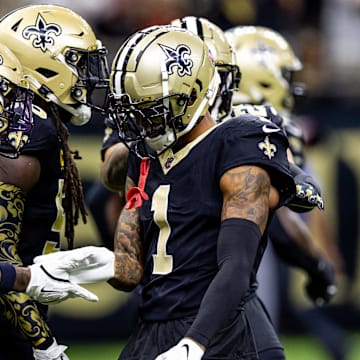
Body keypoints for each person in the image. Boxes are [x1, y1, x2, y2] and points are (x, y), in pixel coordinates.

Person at [36, 24, 298, 359]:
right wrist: (72, 269)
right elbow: (130, 270)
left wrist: (194, 343)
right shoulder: (145, 154)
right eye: (135, 110)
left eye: (151, 109)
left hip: (217, 328)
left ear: (191, 96)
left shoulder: (237, 143)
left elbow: (237, 264)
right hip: (152, 324)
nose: (141, 123)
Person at [226, 25, 348, 359]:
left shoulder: (198, 123)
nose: (290, 85)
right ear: (259, 78)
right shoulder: (263, 135)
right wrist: (317, 268)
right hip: (226, 278)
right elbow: (283, 224)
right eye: (281, 75)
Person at [0, 4, 109, 360]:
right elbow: (2, 258)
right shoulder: (26, 132)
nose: (86, 76)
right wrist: (43, 345)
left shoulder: (36, 125)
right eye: (77, 61)